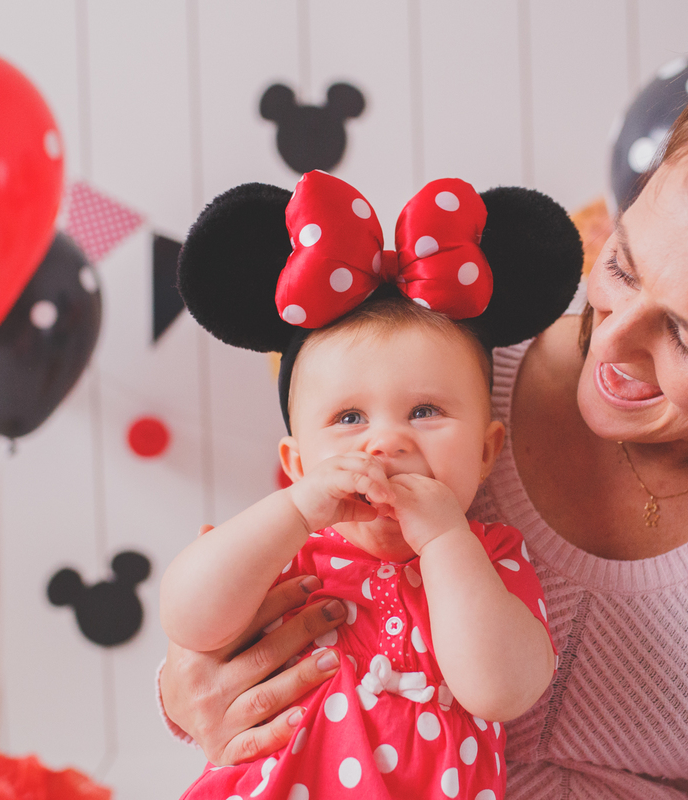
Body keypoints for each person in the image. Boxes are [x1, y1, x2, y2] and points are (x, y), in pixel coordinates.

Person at [158, 12, 688, 800]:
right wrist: (189, 684)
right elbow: (246, 602)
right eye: (621, 267)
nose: (609, 348)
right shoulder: (435, 383)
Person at [162, 171, 583, 799]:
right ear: (298, 463)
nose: (384, 444)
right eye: (349, 419)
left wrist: (445, 540)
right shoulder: (285, 551)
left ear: (487, 451)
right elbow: (190, 619)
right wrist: (295, 512)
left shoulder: (490, 559)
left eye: (425, 412)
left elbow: (504, 691)